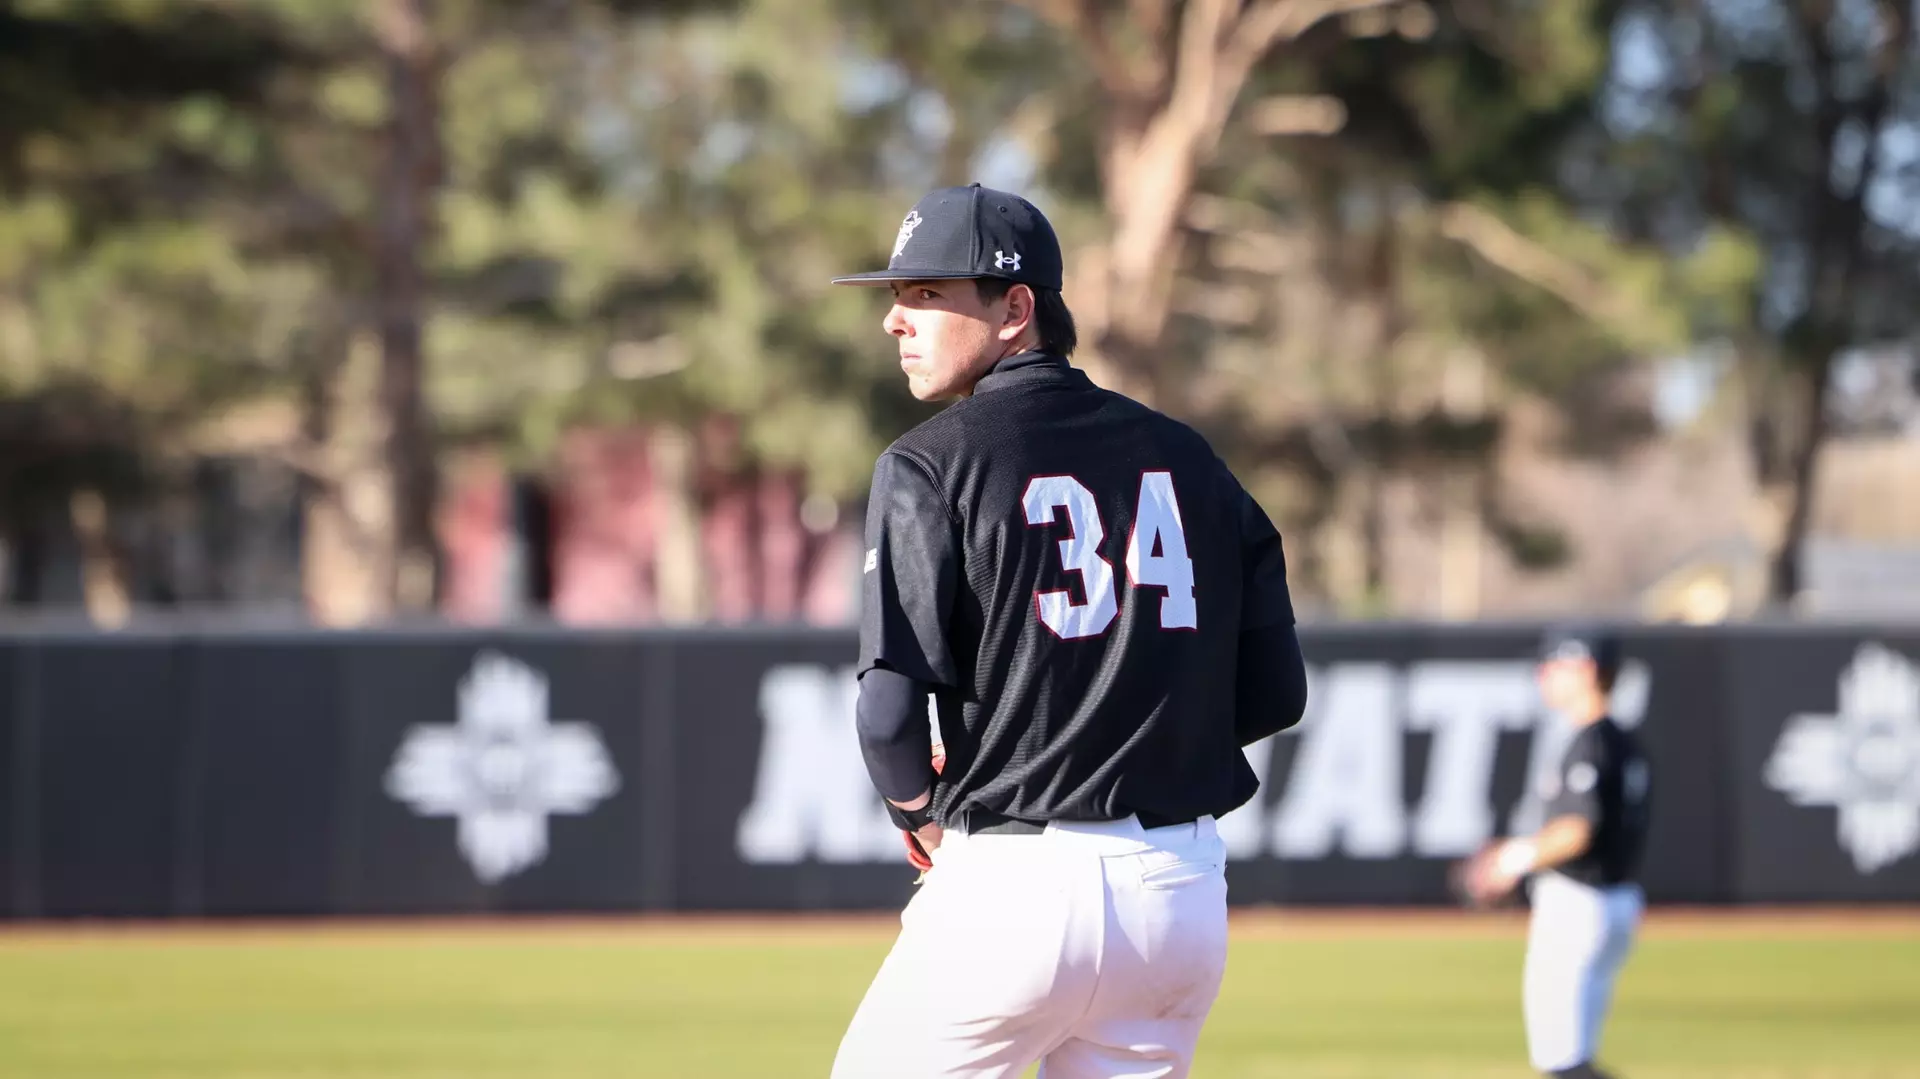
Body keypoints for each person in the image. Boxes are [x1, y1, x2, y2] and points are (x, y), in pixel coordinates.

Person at [824, 182, 1309, 1078]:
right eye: (897, 298)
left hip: (1016, 890)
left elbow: (887, 716)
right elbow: (1278, 692)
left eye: (926, 295)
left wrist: (918, 814)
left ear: (1016, 309)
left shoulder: (928, 463)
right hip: (1178, 896)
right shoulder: (1193, 460)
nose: (896, 321)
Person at [1458, 626, 1653, 1079]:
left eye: (1554, 666)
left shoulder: (1592, 743)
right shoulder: (1621, 740)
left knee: (1562, 1063)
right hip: (1611, 899)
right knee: (1571, 1059)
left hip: (1580, 901)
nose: (1543, 675)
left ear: (1585, 671)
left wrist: (1511, 860)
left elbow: (1576, 831)